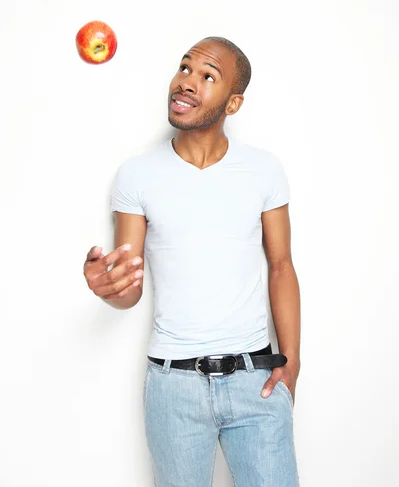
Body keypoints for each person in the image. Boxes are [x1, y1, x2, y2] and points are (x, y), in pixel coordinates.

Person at [83, 36, 301, 487]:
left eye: (207, 76)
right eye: (184, 68)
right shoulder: (137, 175)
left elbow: (281, 266)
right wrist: (110, 288)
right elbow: (130, 285)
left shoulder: (263, 170)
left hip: (254, 377)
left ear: (233, 102)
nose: (186, 83)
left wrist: (292, 360)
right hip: (173, 386)